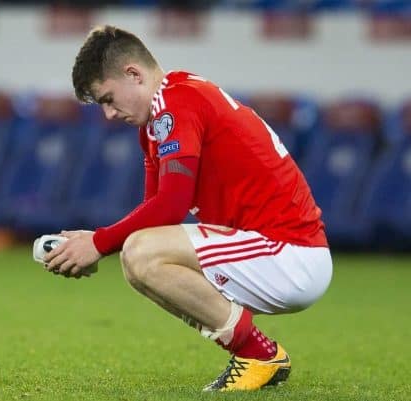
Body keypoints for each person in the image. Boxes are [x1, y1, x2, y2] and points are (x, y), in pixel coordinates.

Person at [43, 25, 332, 392]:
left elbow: (172, 205)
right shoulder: (158, 118)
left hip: (289, 252)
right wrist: (94, 242)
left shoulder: (175, 103)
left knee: (140, 252)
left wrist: (98, 243)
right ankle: (255, 354)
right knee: (138, 256)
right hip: (270, 248)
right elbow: (155, 210)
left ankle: (260, 355)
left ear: (133, 74)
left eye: (108, 99)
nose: (109, 114)